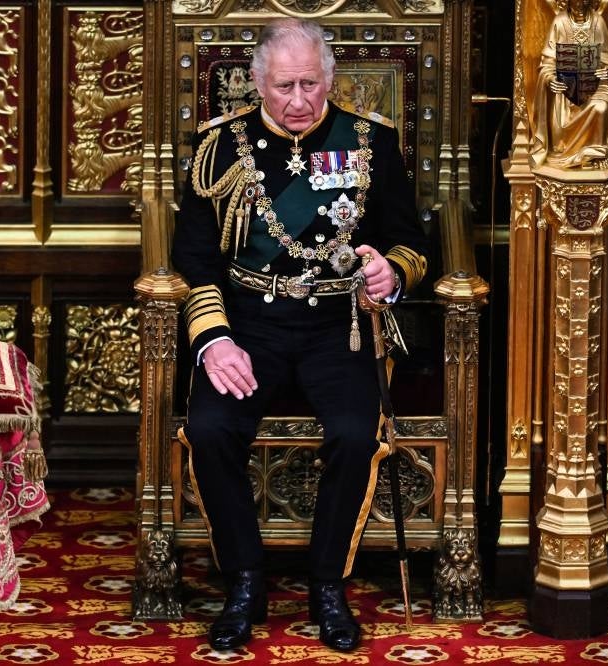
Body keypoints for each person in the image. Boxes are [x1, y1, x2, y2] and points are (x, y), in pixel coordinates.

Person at [171, 17, 428, 653]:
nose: (297, 101)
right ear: (258, 83)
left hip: (336, 325)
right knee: (209, 428)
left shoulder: (370, 141)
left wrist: (390, 271)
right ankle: (245, 582)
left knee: (351, 431)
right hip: (248, 323)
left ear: (331, 79)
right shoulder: (220, 147)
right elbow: (195, 258)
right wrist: (214, 340)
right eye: (283, 86)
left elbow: (414, 243)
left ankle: (327, 585)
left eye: (310, 84)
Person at [531, 0, 608, 169]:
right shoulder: (559, 22)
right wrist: (551, 79)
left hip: (596, 86)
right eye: (576, 1)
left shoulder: (597, 22)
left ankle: (596, 154)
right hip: (566, 89)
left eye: (584, 1)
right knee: (562, 115)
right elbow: (547, 63)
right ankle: (565, 150)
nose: (580, 5)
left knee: (601, 107)